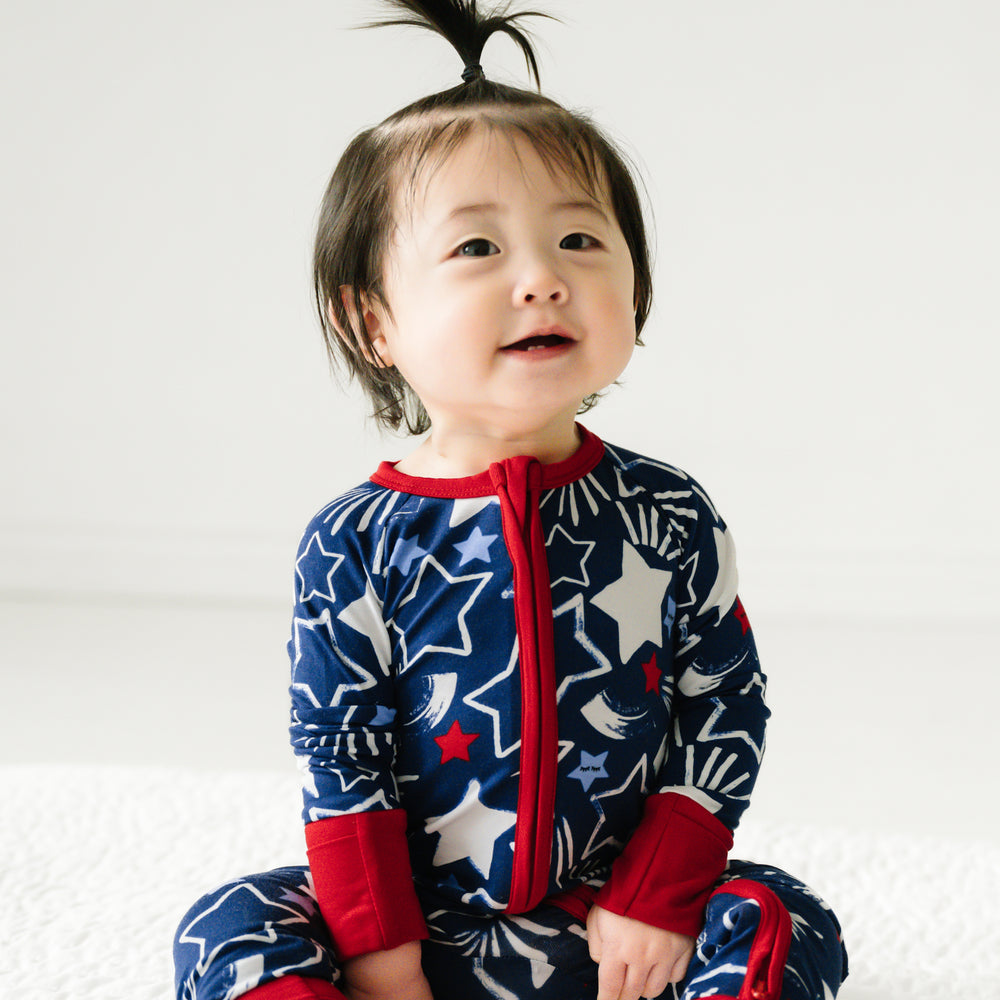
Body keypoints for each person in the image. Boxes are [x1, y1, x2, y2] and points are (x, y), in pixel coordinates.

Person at [173, 3, 848, 999]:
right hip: (421, 927)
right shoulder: (356, 542)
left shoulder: (665, 513)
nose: (541, 278)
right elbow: (339, 751)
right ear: (371, 322)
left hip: (613, 927)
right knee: (226, 926)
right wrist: (380, 954)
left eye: (579, 239)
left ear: (636, 286)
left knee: (784, 917)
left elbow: (725, 702)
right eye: (477, 250)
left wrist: (658, 895)